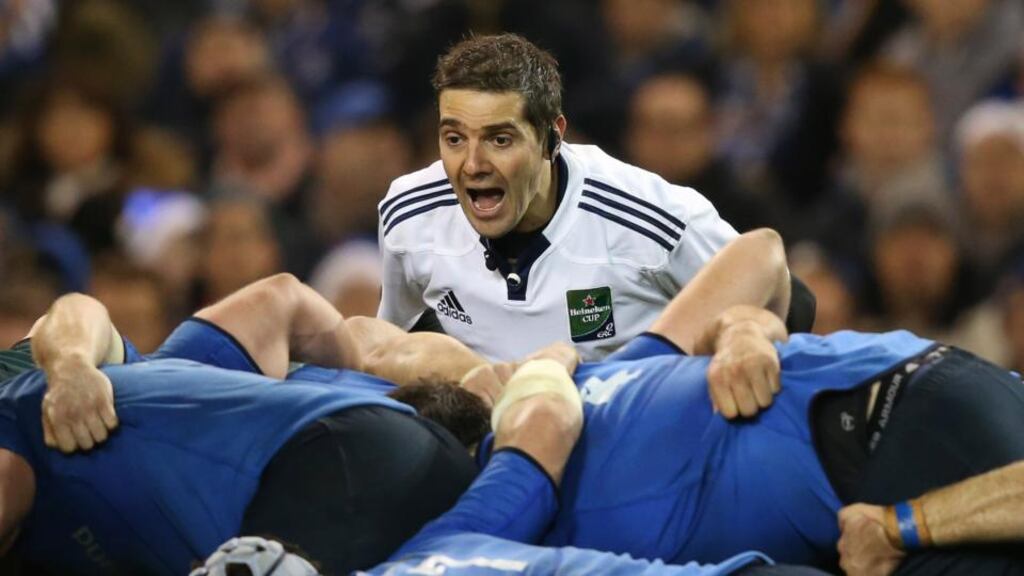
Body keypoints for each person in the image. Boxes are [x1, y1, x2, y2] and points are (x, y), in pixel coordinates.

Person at [376, 33, 815, 362]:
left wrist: (743, 339)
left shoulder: (651, 220)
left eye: (500, 140)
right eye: (454, 138)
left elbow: (793, 304)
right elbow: (401, 329)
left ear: (552, 137)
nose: (472, 164)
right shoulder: (408, 215)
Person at [0, 276, 480, 575]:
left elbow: (68, 318)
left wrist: (69, 367)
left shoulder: (49, 393)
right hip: (358, 472)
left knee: (382, 348)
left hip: (355, 436)